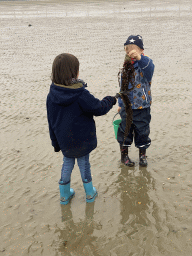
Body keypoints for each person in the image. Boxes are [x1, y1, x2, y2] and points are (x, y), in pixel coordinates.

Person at [46, 53, 117, 205]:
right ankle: (90, 193)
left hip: (65, 141)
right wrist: (110, 100)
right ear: (74, 73)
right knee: (84, 164)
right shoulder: (79, 93)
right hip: (83, 140)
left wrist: (55, 143)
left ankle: (64, 196)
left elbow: (51, 122)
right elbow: (98, 108)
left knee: (67, 164)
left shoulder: (51, 95)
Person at [117, 35, 155, 167]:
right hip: (127, 108)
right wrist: (120, 105)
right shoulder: (125, 67)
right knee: (125, 132)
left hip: (142, 107)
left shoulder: (146, 64)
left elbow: (150, 70)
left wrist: (140, 58)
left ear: (141, 50)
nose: (130, 53)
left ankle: (142, 156)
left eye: (134, 49)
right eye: (128, 50)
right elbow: (122, 88)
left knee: (143, 131)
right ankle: (124, 156)